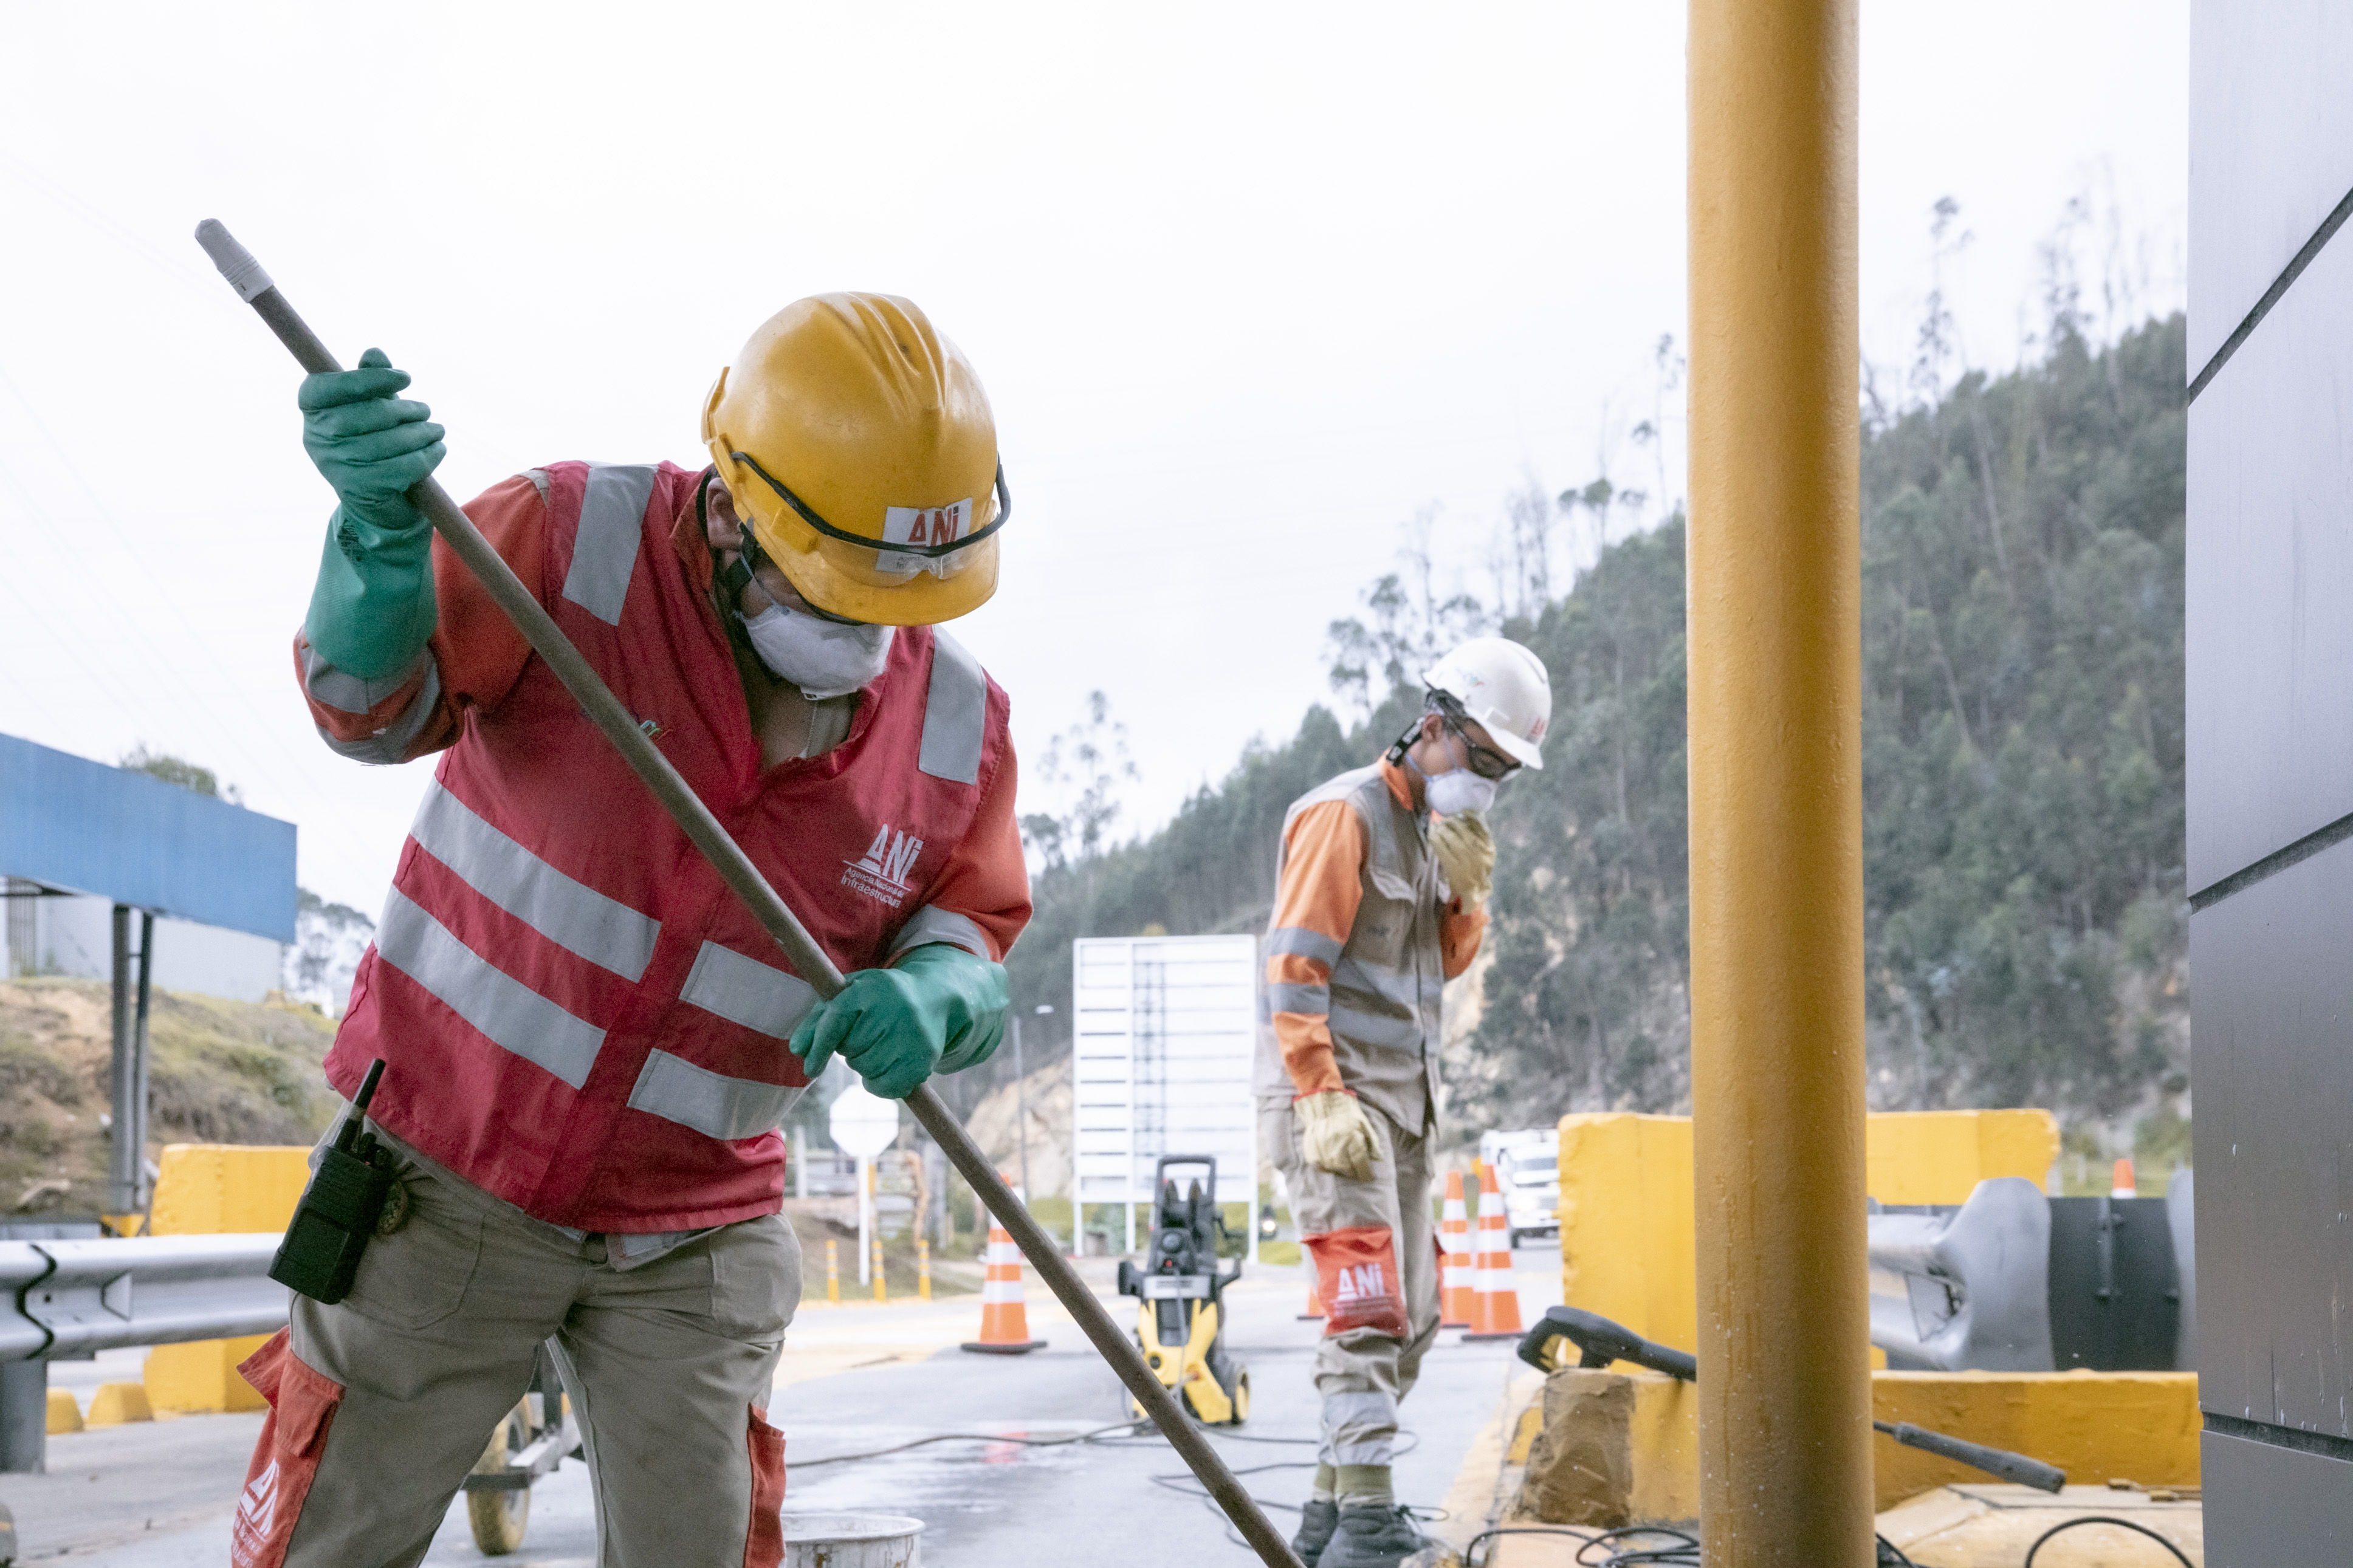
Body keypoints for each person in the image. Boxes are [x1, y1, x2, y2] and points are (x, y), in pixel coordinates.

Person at [230, 294, 1030, 1568]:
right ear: (729, 508)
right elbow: (366, 712)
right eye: (834, 587)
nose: (867, 632)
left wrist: (936, 992)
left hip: (699, 1225)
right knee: (331, 1543)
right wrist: (377, 547)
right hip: (444, 1180)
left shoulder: (954, 723)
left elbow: (971, 925)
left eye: (898, 599)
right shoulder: (562, 543)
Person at [1257, 637, 1552, 1568]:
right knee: (1368, 1308)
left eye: (1508, 768)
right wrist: (1319, 1093)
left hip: (1407, 1107)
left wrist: (1468, 896)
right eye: (1486, 757)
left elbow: (1446, 966)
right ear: (1434, 728)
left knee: (1416, 1313)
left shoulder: (1439, 833)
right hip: (1336, 1102)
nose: (1493, 780)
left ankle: (1331, 1506)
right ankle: (1371, 1519)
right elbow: (1295, 966)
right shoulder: (1343, 818)